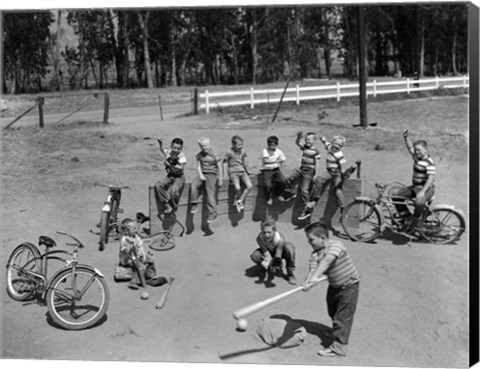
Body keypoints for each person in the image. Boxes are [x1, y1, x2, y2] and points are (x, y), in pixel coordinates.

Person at [303, 222, 360, 357]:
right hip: (334, 286)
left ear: (322, 238)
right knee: (333, 311)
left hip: (349, 286)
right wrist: (308, 282)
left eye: (311, 239)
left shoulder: (336, 245)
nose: (308, 242)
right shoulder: (315, 255)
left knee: (342, 317)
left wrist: (316, 276)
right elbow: (312, 271)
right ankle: (336, 330)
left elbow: (327, 261)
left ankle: (339, 348)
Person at [389, 130, 436, 232]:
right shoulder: (416, 157)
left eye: (419, 150)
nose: (417, 152)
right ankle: (405, 215)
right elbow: (410, 148)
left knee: (419, 203)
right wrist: (406, 138)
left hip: (427, 189)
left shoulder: (429, 163)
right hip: (415, 188)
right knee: (395, 193)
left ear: (426, 150)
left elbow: (430, 179)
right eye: (416, 150)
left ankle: (416, 219)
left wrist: (423, 192)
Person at [300, 135, 348, 222]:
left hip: (337, 174)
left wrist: (344, 174)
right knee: (318, 181)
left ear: (342, 147)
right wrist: (323, 140)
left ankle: (343, 209)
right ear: (332, 143)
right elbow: (326, 143)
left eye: (340, 145)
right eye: (336, 143)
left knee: (338, 191)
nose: (337, 146)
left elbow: (342, 166)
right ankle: (314, 201)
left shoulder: (339, 154)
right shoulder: (330, 148)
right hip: (329, 172)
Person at [280, 131, 322, 218]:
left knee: (304, 190)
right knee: (289, 178)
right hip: (301, 168)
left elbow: (317, 163)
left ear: (314, 141)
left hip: (309, 171)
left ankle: (306, 210)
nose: (307, 141)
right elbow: (298, 143)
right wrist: (298, 137)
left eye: (309, 140)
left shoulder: (316, 151)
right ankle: (290, 193)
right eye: (306, 139)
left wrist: (316, 174)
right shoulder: (305, 147)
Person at [250, 218, 297, 285]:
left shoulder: (280, 238)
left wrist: (277, 263)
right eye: (264, 232)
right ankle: (264, 267)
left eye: (269, 232)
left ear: (274, 230)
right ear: (261, 231)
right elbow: (266, 253)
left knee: (289, 247)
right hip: (268, 252)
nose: (266, 235)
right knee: (255, 255)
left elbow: (278, 254)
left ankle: (290, 273)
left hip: (279, 252)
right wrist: (269, 263)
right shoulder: (259, 238)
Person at [190, 137, 223, 223]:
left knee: (210, 192)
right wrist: (200, 175)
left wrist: (220, 179)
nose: (204, 148)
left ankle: (213, 213)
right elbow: (198, 166)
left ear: (209, 145)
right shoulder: (199, 155)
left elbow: (220, 167)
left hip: (212, 174)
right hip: (203, 174)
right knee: (194, 184)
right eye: (202, 146)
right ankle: (194, 203)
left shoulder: (214, 155)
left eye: (205, 146)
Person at [118, 218, 155, 290]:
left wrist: (144, 256)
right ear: (126, 231)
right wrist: (129, 244)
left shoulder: (135, 236)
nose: (136, 230)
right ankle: (133, 282)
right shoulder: (124, 240)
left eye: (135, 228)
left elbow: (141, 247)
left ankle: (150, 273)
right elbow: (126, 252)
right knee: (142, 267)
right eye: (133, 229)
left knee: (150, 259)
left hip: (136, 255)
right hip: (127, 259)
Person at [154, 137, 187, 215]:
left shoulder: (182, 156)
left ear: (181, 149)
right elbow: (162, 150)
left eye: (178, 149)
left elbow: (180, 167)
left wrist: (169, 164)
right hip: (170, 175)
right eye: (174, 148)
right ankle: (166, 204)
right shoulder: (169, 152)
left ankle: (174, 206)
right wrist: (160, 143)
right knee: (158, 186)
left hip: (179, 177)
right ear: (171, 147)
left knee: (173, 190)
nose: (176, 150)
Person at [222, 135, 254, 213]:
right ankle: (238, 199)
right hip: (233, 172)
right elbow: (224, 163)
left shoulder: (243, 151)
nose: (241, 146)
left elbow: (244, 161)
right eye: (239, 145)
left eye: (242, 144)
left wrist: (248, 171)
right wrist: (225, 174)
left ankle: (240, 200)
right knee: (238, 187)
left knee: (250, 186)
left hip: (242, 171)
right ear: (233, 145)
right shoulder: (229, 152)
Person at [260, 135, 287, 206]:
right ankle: (268, 197)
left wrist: (282, 172)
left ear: (276, 145)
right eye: (270, 145)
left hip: (276, 169)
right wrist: (276, 161)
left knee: (283, 180)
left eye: (273, 145)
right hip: (267, 170)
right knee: (267, 184)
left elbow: (282, 162)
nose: (272, 147)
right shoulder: (265, 150)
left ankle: (278, 194)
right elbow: (266, 161)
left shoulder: (279, 152)